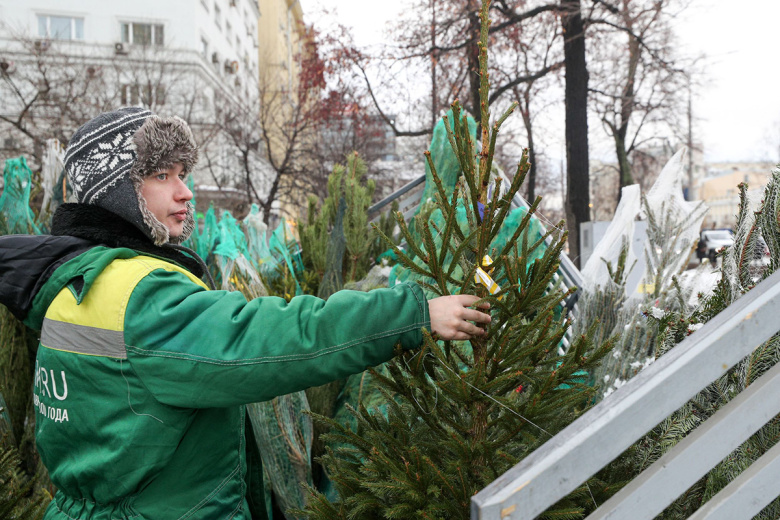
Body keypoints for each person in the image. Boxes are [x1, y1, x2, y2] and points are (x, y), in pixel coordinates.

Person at [0, 107, 491, 519]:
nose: (185, 192)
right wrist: (410, 316)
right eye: (160, 175)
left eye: (183, 174)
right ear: (117, 192)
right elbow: (271, 339)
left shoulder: (73, 283)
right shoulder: (143, 294)